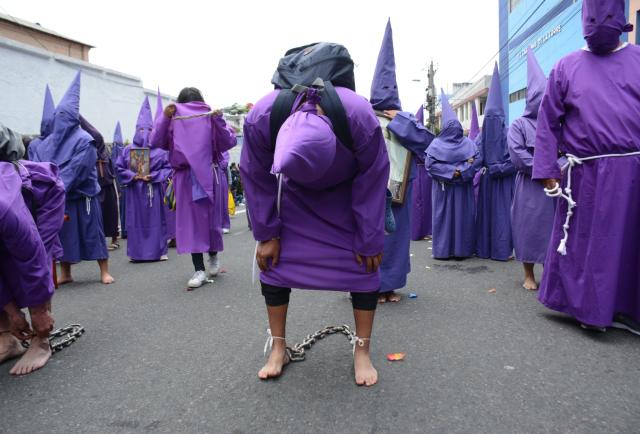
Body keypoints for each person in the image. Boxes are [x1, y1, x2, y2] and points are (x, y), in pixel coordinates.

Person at [242, 42, 389, 386]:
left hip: (347, 191)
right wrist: (267, 234)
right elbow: (254, 175)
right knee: (273, 267)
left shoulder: (358, 116)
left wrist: (369, 238)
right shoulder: (263, 117)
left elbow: (373, 176)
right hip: (293, 197)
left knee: (365, 268)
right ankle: (278, 346)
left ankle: (362, 350)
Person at [532, 0, 640, 334]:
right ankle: (588, 308)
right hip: (585, 175)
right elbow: (547, 123)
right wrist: (547, 170)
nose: (599, 24)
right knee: (590, 244)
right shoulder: (565, 67)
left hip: (634, 172)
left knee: (629, 242)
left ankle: (626, 308)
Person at [370, 20, 434, 304]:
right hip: (367, 189)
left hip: (399, 188)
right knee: (367, 236)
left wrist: (401, 121)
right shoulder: (361, 114)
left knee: (395, 238)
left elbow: (428, 145)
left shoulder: (405, 118)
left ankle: (390, 285)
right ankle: (366, 286)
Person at [29, 72, 113, 284]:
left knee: (93, 232)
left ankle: (104, 271)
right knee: (64, 234)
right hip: (62, 196)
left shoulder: (85, 140)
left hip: (83, 195)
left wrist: (53, 188)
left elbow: (77, 170)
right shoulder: (49, 143)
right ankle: (66, 272)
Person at [150, 87, 237, 288]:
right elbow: (155, 141)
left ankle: (213, 255)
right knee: (190, 224)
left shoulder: (209, 118)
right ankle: (199, 268)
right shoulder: (173, 121)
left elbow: (229, 141)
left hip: (209, 174)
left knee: (211, 221)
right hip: (185, 176)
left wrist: (218, 119)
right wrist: (165, 117)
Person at [0, 123, 63, 375]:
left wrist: (37, 312)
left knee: (37, 256)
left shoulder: (4, 207)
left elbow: (32, 256)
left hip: (42, 196)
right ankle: (6, 337)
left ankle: (41, 338)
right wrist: (12, 312)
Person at [508, 49, 557, 291]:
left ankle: (552, 273)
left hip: (555, 184)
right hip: (530, 184)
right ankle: (529, 273)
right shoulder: (519, 124)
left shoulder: (557, 125)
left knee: (554, 229)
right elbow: (518, 155)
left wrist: (558, 171)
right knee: (528, 227)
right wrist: (543, 172)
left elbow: (567, 151)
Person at [117, 97, 172, 262]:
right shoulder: (128, 150)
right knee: (136, 221)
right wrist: (133, 176)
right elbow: (119, 168)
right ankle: (137, 252)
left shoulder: (160, 151)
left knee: (156, 220)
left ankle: (158, 251)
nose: (144, 133)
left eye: (148, 129)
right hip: (135, 192)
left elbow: (169, 169)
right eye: (140, 129)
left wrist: (154, 176)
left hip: (153, 190)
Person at [426, 91, 479, 259]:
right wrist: (456, 170)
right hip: (444, 189)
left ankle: (461, 250)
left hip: (461, 188)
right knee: (444, 219)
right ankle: (443, 251)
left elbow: (476, 163)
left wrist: (457, 171)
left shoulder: (468, 143)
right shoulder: (435, 144)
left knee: (461, 219)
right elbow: (431, 166)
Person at [475, 63, 516, 261]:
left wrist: (496, 168)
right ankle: (484, 248)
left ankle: (501, 250)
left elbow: (515, 161)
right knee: (485, 216)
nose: (492, 121)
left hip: (503, 182)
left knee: (502, 216)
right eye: (488, 118)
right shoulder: (480, 138)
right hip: (486, 182)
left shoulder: (510, 134)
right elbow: (473, 157)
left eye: (496, 118)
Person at [80, 116, 119, 251]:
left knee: (111, 211)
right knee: (97, 213)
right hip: (95, 186)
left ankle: (114, 237)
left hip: (107, 185)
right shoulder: (86, 149)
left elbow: (112, 168)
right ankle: (97, 240)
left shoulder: (104, 152)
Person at [410, 106, 433, 242]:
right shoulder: (425, 137)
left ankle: (419, 230)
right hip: (421, 171)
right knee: (421, 202)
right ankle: (421, 230)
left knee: (420, 203)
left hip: (418, 171)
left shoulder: (410, 137)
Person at [111, 122, 127, 240]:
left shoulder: (124, 152)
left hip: (125, 184)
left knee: (126, 209)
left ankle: (126, 230)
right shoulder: (114, 154)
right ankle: (124, 231)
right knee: (122, 209)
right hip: (120, 185)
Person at [219, 151, 231, 234]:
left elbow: (224, 164)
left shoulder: (224, 151)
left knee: (223, 202)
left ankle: (225, 224)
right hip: (209, 175)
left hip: (220, 175)